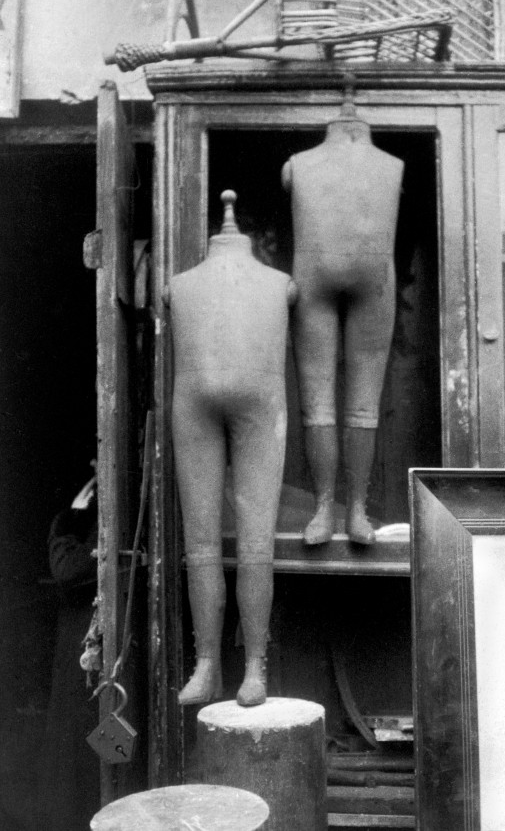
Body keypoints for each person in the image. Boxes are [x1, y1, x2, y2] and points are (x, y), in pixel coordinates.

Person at [169, 190, 296, 707]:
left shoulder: (279, 283)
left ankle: (254, 665)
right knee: (200, 543)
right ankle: (207, 663)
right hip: (194, 407)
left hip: (258, 410)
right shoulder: (179, 284)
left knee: (256, 544)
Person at [282, 90, 403, 546]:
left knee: (363, 404)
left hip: (373, 286)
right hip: (315, 283)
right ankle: (322, 507)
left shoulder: (392, 165)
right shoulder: (300, 163)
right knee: (316, 402)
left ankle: (355, 509)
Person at [37, 472, 100, 831]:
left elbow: (69, 568)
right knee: (82, 750)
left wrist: (67, 523)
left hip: (92, 653)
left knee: (84, 750)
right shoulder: (96, 516)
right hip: (85, 651)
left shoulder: (103, 517)